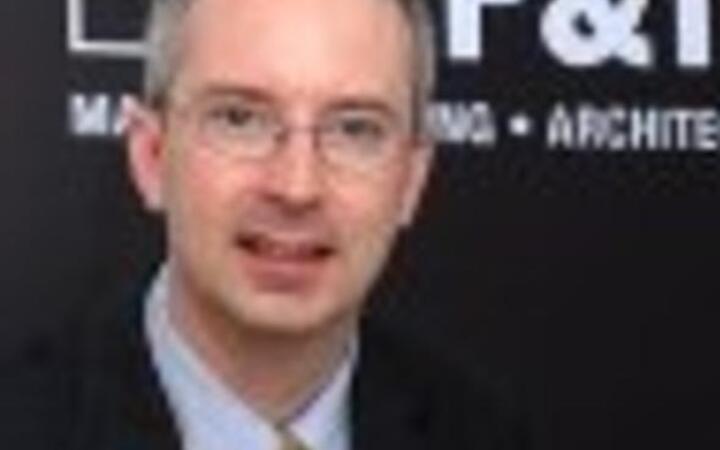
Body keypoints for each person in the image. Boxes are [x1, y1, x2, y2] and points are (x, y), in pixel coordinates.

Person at [1, 0, 532, 448]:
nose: (297, 187)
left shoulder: (485, 434)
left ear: (412, 180)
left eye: (355, 129)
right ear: (152, 156)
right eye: (240, 119)